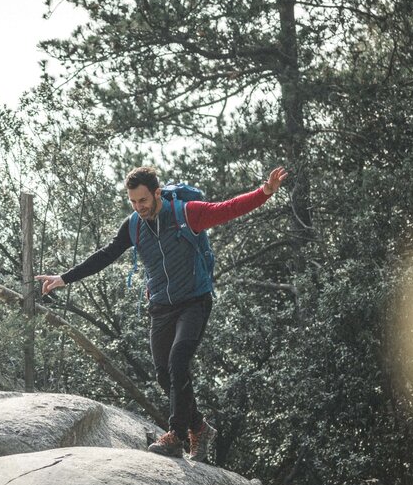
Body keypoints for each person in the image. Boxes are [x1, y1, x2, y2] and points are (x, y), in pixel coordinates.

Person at [36, 165, 287, 461]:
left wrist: (265, 193)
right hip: (161, 306)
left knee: (178, 360)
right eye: (132, 202)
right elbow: (106, 254)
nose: (138, 207)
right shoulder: (133, 225)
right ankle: (199, 427)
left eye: (143, 200)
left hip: (194, 301)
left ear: (157, 193)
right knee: (164, 375)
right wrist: (65, 278)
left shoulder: (186, 213)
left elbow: (228, 208)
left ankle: (176, 436)